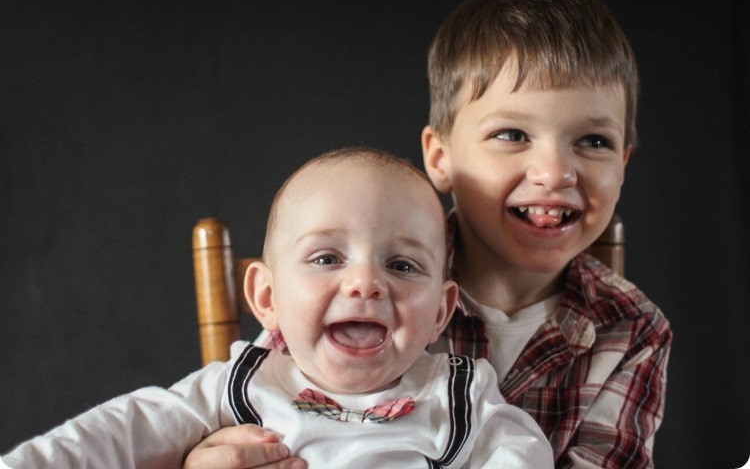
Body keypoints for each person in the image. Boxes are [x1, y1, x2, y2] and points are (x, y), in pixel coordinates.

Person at [185, 0, 672, 469]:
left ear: (624, 163)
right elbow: (256, 415)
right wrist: (216, 455)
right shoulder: (366, 282)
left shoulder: (631, 329)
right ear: (441, 158)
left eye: (593, 141)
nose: (555, 173)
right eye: (513, 134)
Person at [2, 147, 554, 468]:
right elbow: (118, 435)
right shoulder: (238, 387)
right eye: (326, 258)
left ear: (441, 310)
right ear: (266, 297)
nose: (365, 283)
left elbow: (523, 454)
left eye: (403, 266)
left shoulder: (458, 394)